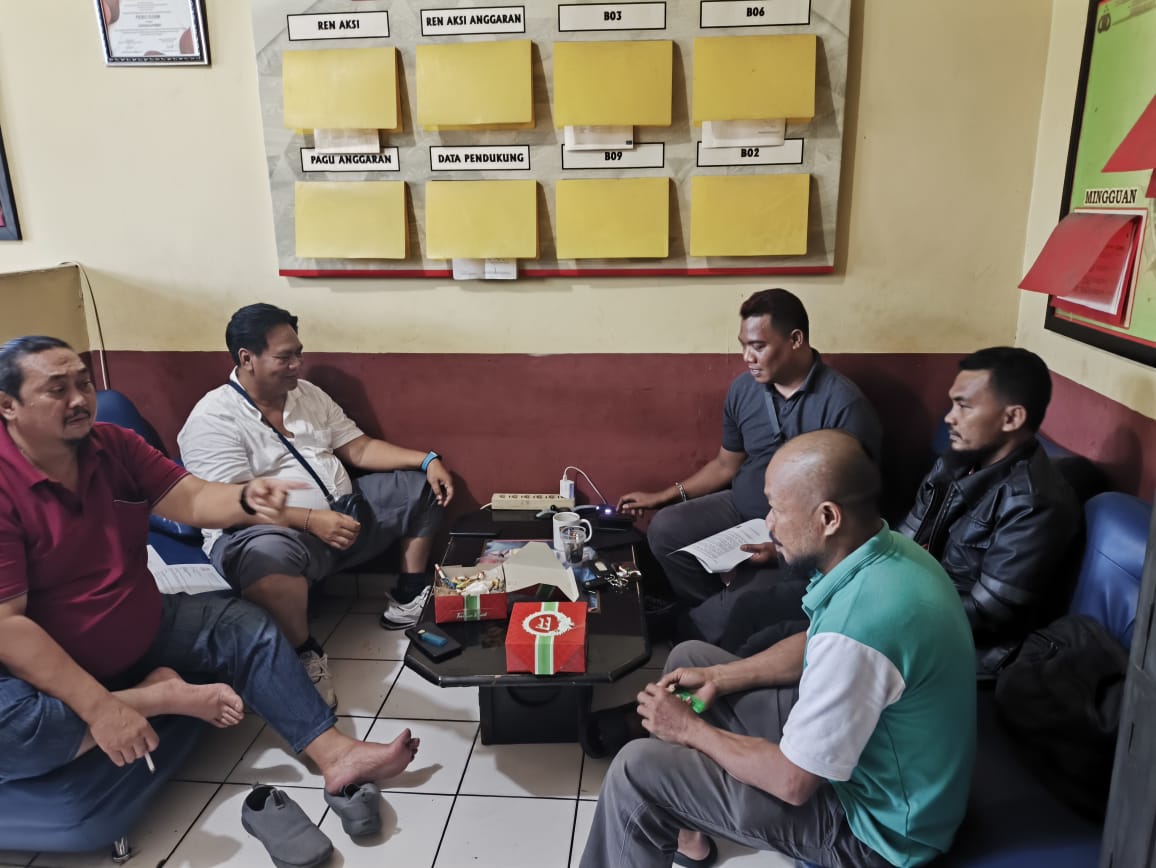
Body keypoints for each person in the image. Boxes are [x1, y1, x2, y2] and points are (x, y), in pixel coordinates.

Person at [0, 336, 419, 795]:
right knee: (14, 732)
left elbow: (194, 498)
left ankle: (336, 754)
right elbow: (8, 625)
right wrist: (101, 709)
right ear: (7, 405)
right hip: (49, 661)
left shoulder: (113, 445)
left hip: (139, 621)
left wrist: (247, 498)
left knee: (245, 626)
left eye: (84, 383)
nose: (80, 399)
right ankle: (159, 696)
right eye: (57, 389)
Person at [582, 430, 976, 868]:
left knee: (636, 770)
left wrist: (689, 730)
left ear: (828, 517)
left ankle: (661, 799)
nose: (768, 522)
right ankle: (685, 829)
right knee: (690, 659)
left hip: (876, 831)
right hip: (877, 756)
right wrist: (718, 676)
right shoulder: (886, 551)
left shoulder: (861, 628)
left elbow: (793, 782)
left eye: (779, 509)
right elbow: (815, 642)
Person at [179, 304, 453, 707]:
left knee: (420, 487)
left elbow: (358, 448)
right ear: (247, 358)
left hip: (344, 515)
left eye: (299, 353)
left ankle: (409, 597)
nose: (297, 365)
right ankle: (303, 653)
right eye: (284, 357)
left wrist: (427, 460)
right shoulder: (212, 418)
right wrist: (309, 520)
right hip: (269, 534)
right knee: (265, 553)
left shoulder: (306, 394)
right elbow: (228, 506)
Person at [617, 288, 882, 645]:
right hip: (741, 509)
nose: (747, 357)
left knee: (725, 614)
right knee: (665, 530)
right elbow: (726, 464)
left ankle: (718, 621)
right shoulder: (744, 390)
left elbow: (849, 517)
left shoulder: (844, 406)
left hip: (798, 531)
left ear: (796, 340)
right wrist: (662, 496)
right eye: (743, 345)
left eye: (758, 346)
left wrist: (781, 550)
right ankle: (717, 613)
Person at [897, 346, 1080, 673]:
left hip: (969, 652)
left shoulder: (1033, 502)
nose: (949, 417)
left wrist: (893, 606)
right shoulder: (953, 463)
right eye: (953, 403)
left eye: (964, 406)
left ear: (1012, 418)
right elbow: (901, 543)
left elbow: (987, 615)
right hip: (925, 611)